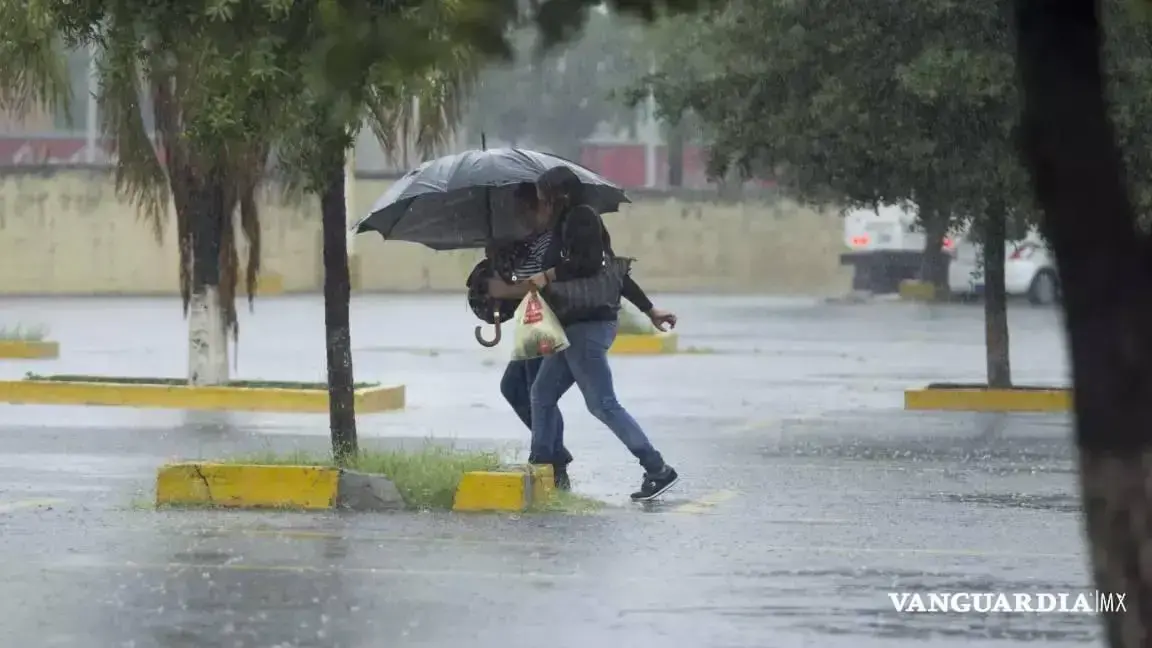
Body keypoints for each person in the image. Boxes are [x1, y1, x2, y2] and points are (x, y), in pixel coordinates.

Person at [494, 166, 679, 502]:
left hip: (588, 326)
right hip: (573, 326)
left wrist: (547, 275)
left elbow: (593, 264)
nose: (541, 204)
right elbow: (615, 271)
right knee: (541, 394)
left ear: (558, 195)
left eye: (543, 197)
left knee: (603, 404)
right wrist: (650, 310)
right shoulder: (567, 225)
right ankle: (541, 467)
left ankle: (657, 468)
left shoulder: (581, 218)